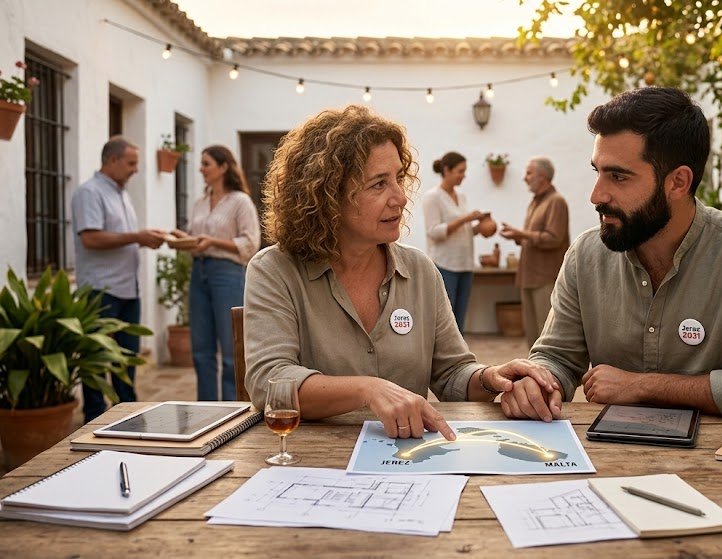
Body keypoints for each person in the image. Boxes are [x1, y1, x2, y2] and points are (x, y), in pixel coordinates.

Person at [243, 105, 557, 440]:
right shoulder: (274, 270)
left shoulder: (420, 271)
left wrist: (491, 376)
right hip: (313, 467)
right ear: (327, 195)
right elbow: (270, 383)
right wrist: (367, 390)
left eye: (398, 179)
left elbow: (452, 373)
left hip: (408, 461)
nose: (401, 198)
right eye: (379, 184)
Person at [500, 87, 722, 422]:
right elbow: (556, 357)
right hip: (612, 465)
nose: (596, 195)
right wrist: (539, 382)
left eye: (618, 176)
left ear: (678, 182)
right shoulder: (585, 256)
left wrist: (644, 386)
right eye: (597, 172)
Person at [71, 136, 165, 423]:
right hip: (101, 290)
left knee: (126, 360)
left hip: (127, 289)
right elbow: (90, 238)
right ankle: (93, 420)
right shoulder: (89, 192)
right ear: (111, 161)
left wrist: (143, 236)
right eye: (131, 163)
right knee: (96, 361)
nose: (136, 169)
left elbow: (119, 237)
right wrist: (137, 237)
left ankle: (128, 417)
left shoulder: (120, 192)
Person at [171, 145, 261, 401]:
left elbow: (250, 242)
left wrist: (212, 242)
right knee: (200, 349)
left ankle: (236, 409)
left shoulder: (240, 202)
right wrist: (182, 239)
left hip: (227, 274)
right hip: (199, 272)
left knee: (232, 349)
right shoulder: (200, 202)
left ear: (223, 167)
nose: (201, 168)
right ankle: (207, 408)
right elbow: (197, 238)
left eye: (206, 163)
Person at [500, 157, 570, 348]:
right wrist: (516, 235)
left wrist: (521, 233)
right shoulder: (535, 202)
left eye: (529, 173)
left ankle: (550, 376)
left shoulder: (556, 201)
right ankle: (534, 373)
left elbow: (554, 238)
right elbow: (535, 237)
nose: (524, 178)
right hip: (529, 276)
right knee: (532, 337)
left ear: (543, 177)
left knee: (547, 336)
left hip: (545, 278)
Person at [420, 151, 489, 332]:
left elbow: (461, 232)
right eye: (460, 171)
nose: (463, 176)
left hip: (465, 264)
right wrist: (466, 219)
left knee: (460, 317)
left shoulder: (462, 197)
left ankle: (459, 358)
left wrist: (478, 229)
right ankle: (443, 358)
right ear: (446, 170)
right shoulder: (432, 197)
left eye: (464, 171)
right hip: (445, 264)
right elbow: (434, 232)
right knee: (446, 318)